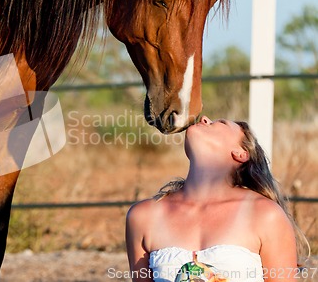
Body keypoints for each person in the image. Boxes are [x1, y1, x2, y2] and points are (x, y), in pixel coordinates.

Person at [126, 116, 308, 282]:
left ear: (241, 153)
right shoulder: (143, 217)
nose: (204, 118)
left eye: (221, 123)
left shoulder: (266, 214)